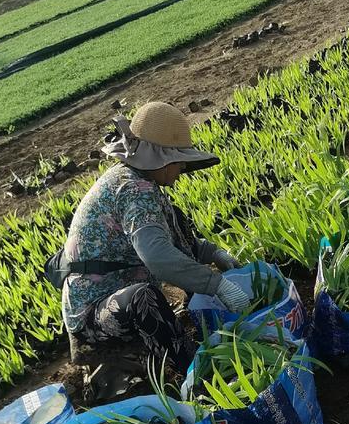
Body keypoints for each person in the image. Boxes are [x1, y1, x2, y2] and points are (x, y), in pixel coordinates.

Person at [60, 101, 249, 387]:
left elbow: (170, 236)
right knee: (144, 298)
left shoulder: (140, 182)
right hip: (95, 313)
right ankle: (196, 378)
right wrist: (216, 284)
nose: (183, 166)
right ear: (158, 158)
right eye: (178, 159)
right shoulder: (133, 189)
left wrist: (213, 253)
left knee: (176, 218)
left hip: (116, 294)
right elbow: (158, 257)